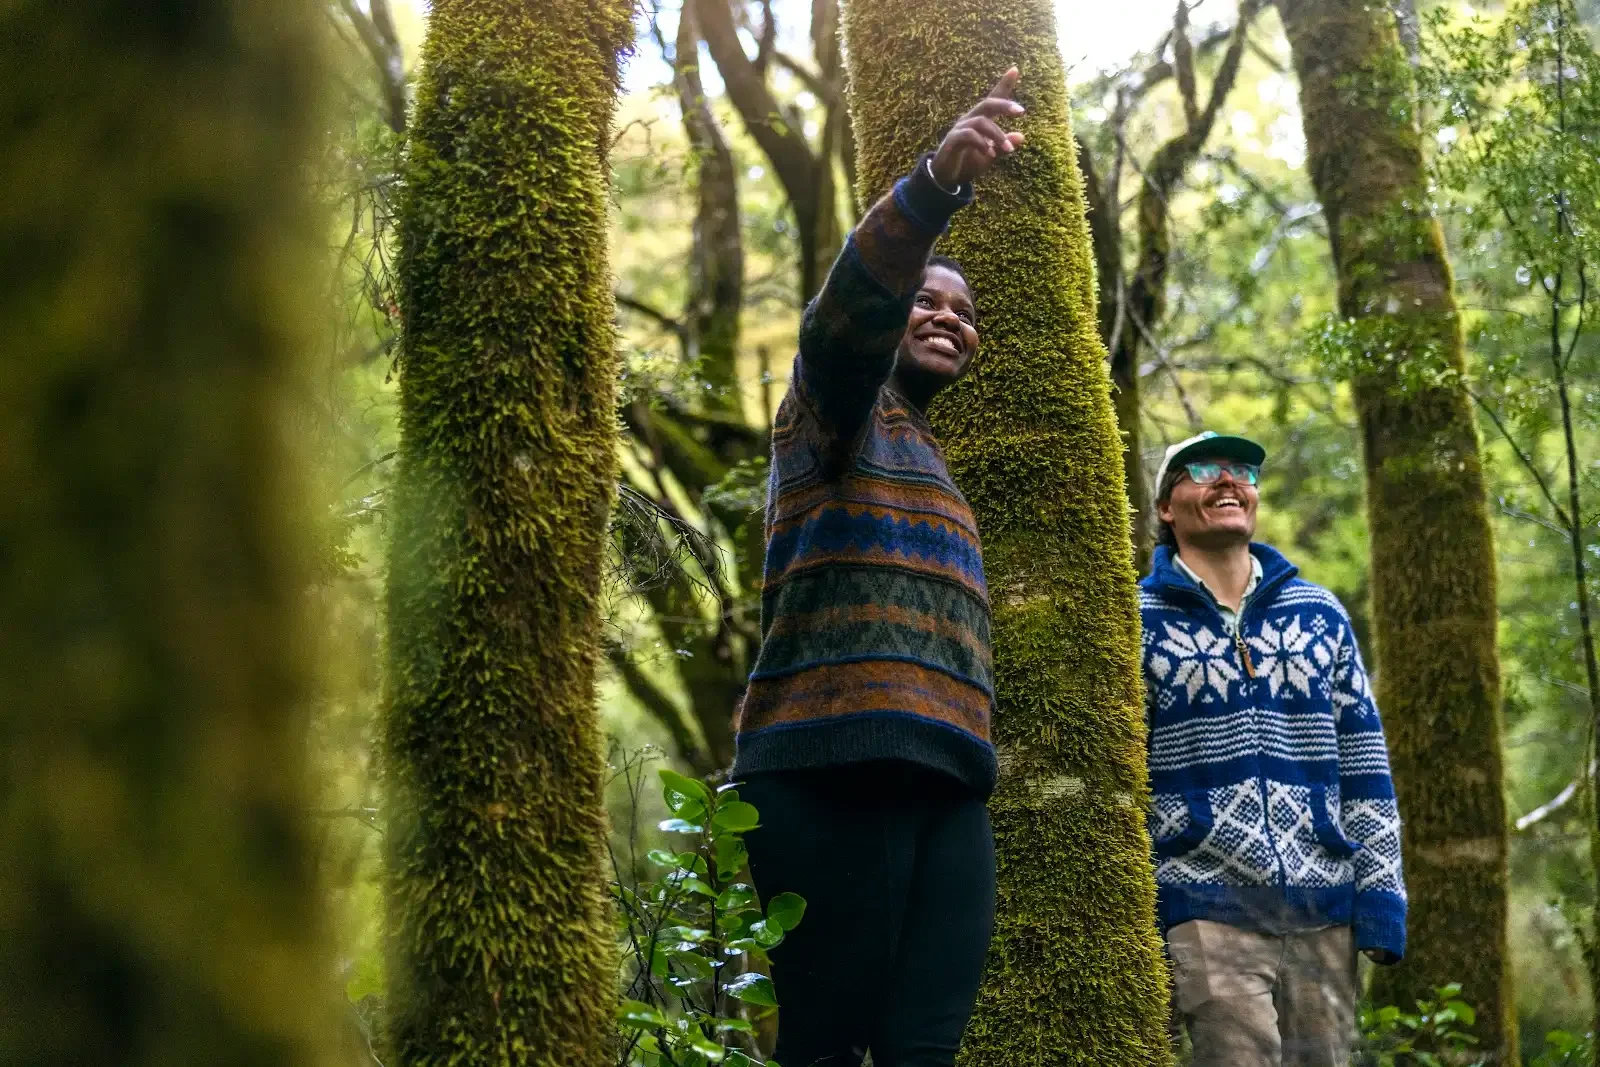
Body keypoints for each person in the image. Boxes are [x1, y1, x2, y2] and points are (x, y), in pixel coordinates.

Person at [731, 69, 1027, 1067]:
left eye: (964, 309)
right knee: (821, 1041)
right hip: (823, 772)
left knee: (924, 1045)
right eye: (925, 299)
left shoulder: (932, 468)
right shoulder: (833, 412)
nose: (947, 316)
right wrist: (936, 184)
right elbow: (843, 318)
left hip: (946, 786)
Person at [1139, 431, 1408, 1067]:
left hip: (1324, 909)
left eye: (1243, 470)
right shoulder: (1135, 620)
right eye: (1203, 470)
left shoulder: (1320, 613)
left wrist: (1380, 900)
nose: (1228, 480)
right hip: (1205, 905)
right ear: (1167, 508)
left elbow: (1365, 766)